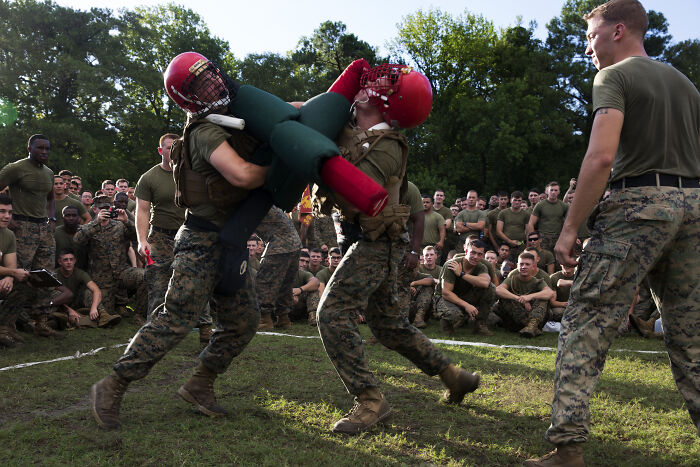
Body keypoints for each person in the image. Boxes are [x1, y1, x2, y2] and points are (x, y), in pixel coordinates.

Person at [525, 1, 700, 464]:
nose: (588, 48)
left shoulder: (614, 78)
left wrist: (569, 229)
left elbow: (601, 157)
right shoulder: (684, 84)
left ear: (619, 30)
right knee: (692, 335)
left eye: (592, 36)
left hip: (636, 207)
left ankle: (567, 449)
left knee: (586, 321)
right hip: (693, 208)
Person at [317, 63, 480, 435]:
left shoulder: (387, 145)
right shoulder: (354, 126)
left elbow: (355, 184)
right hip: (369, 241)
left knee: (331, 313)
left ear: (387, 102)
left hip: (376, 244)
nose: (369, 82)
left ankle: (370, 402)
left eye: (382, 83)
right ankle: (453, 375)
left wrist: (313, 154)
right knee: (389, 325)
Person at [0, 134, 58, 338]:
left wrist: (51, 219)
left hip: (44, 229)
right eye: (40, 148)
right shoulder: (15, 168)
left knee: (46, 277)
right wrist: (11, 217)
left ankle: (40, 322)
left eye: (47, 149)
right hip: (22, 227)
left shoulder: (49, 173)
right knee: (19, 275)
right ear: (29, 148)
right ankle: (6, 325)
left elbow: (50, 198)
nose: (44, 152)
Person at [74, 195, 146, 320]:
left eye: (107, 208)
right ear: (95, 210)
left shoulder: (119, 225)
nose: (105, 211)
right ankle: (116, 307)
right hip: (102, 278)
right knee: (105, 310)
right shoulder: (89, 227)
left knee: (145, 276)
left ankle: (139, 315)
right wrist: (97, 222)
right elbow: (77, 240)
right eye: (101, 208)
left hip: (121, 271)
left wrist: (126, 221)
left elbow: (137, 237)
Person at [255, 206, 302, 330]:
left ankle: (264, 319)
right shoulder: (266, 201)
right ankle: (283, 318)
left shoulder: (251, 201)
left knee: (265, 281)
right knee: (285, 283)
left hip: (280, 245)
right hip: (295, 243)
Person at [434, 240, 495, 336]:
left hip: (463, 296)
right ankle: (447, 324)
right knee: (454, 315)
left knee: (491, 288)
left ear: (482, 256)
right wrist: (467, 306)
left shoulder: (481, 266)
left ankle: (480, 325)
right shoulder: (452, 264)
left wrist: (462, 274)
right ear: (466, 251)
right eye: (473, 253)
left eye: (479, 254)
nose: (475, 257)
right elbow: (446, 293)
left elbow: (485, 283)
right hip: (445, 298)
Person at [493, 252, 554, 338]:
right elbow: (498, 290)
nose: (524, 267)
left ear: (533, 266)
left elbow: (550, 293)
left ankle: (532, 326)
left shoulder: (538, 281)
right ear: (517, 265)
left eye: (527, 264)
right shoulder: (511, 279)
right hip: (515, 320)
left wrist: (530, 297)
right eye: (521, 264)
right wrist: (518, 298)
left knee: (543, 298)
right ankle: (531, 327)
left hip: (534, 316)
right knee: (505, 298)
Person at [0, 194, 31, 347]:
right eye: (2, 211)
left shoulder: (8, 235)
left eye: (10, 212)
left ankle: (5, 329)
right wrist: (12, 273)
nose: (7, 216)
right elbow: (11, 270)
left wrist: (10, 278)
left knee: (23, 282)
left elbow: (11, 264)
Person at [527, 181, 569, 253]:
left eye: (555, 190)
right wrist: (533, 239)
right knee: (542, 260)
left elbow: (569, 223)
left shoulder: (564, 206)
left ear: (559, 192)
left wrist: (566, 237)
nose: (553, 192)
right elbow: (531, 223)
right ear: (547, 191)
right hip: (543, 238)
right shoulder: (540, 205)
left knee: (558, 261)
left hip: (558, 238)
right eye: (551, 190)